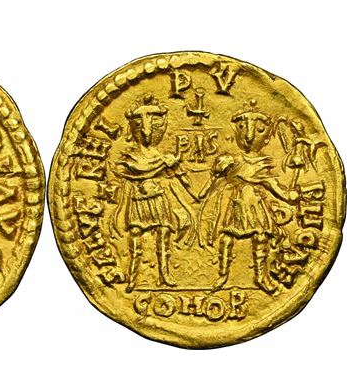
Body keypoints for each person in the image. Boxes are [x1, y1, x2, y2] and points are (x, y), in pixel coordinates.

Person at [199, 99, 298, 293]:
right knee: (227, 238)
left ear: (267, 138)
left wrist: (287, 196)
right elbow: (212, 183)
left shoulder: (262, 164)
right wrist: (214, 176)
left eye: (258, 130)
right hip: (237, 204)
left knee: (260, 238)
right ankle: (223, 275)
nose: (250, 136)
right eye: (242, 129)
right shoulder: (232, 161)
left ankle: (261, 277)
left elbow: (270, 184)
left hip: (256, 205)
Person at [110, 95, 195, 292]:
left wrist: (177, 161)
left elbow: (179, 178)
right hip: (138, 200)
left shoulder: (164, 158)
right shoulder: (130, 158)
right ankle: (132, 277)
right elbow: (126, 171)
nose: (146, 130)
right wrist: (164, 164)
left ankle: (164, 274)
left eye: (153, 122)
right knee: (135, 235)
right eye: (140, 123)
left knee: (164, 233)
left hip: (158, 198)